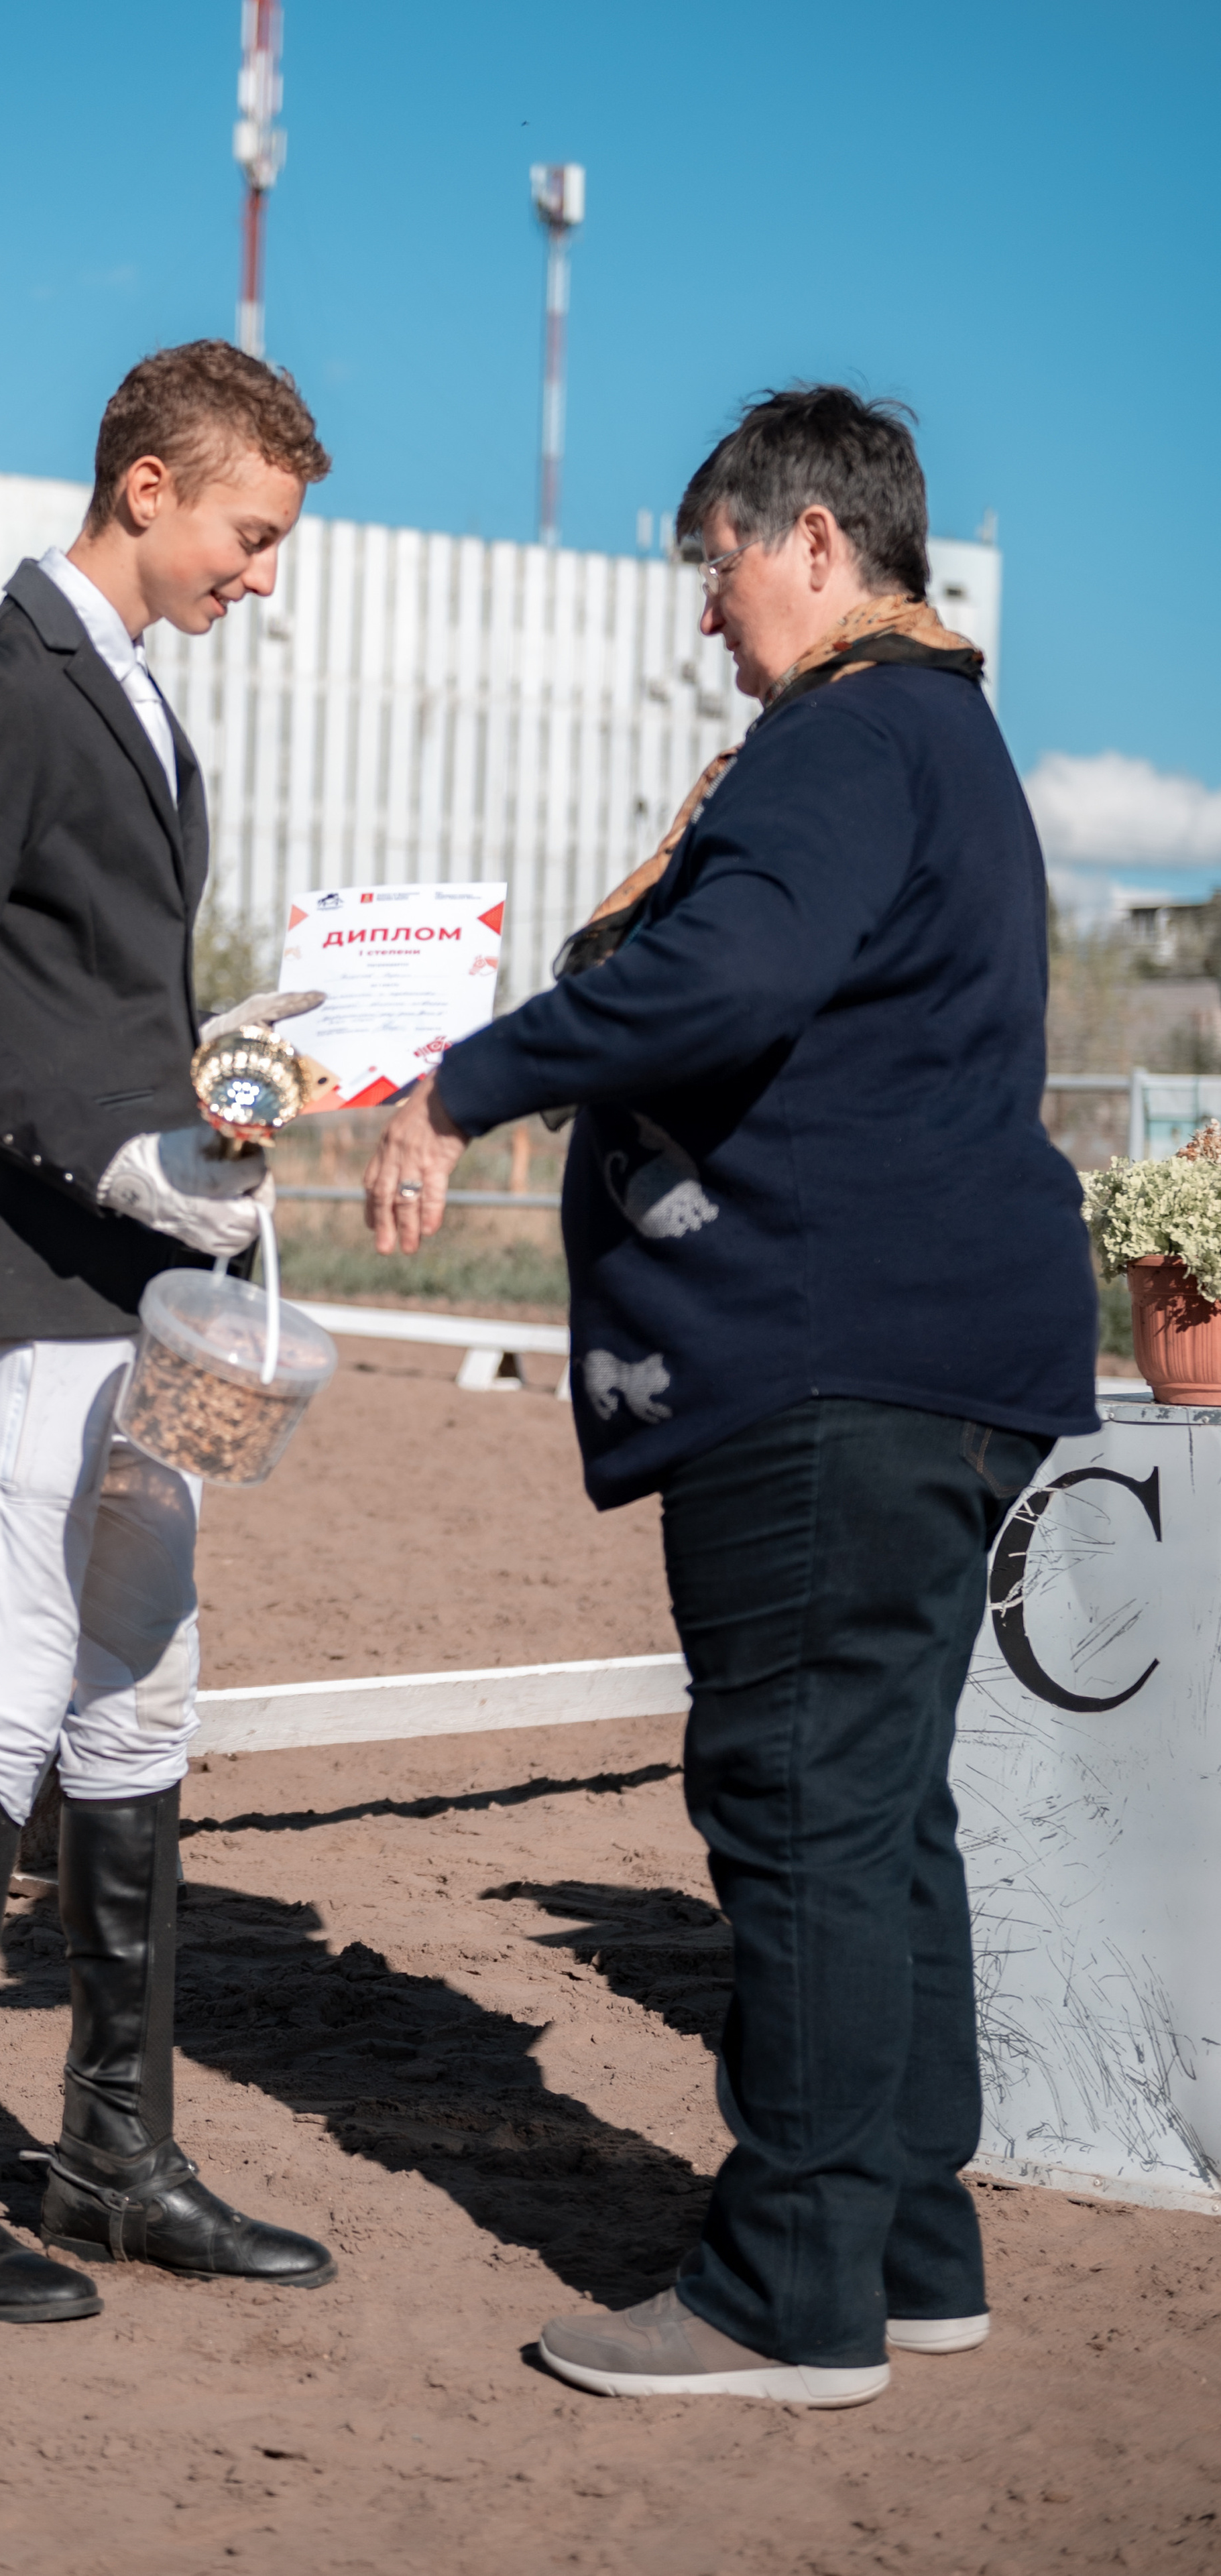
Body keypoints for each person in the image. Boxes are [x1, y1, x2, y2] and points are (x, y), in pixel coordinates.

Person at [363, 387, 1098, 2407]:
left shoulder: (848, 735)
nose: (705, 614)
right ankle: (906, 2238)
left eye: (713, 566)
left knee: (798, 1813)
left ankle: (790, 2289)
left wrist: (469, 1076)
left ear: (811, 543)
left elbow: (738, 975)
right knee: (884, 1814)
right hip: (953, 1354)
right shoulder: (941, 737)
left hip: (829, 1350)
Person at [0, 342, 337, 2322]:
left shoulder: (133, 700)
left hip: (154, 1284)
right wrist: (117, 1161)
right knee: (6, 1675)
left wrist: (219, 1107)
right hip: (37, 1263)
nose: (260, 574)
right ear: (145, 487)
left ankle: (115, 2151)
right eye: (249, 533)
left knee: (142, 1684)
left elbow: (88, 993)